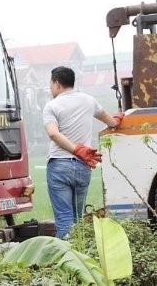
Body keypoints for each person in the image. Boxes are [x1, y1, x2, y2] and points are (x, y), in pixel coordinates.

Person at [42, 66, 124, 239]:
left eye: (51, 83)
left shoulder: (51, 106)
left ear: (57, 83)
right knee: (77, 219)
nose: (50, 87)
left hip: (59, 166)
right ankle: (81, 257)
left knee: (65, 218)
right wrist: (117, 118)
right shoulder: (89, 100)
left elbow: (53, 133)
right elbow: (111, 122)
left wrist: (76, 149)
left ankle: (68, 261)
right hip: (82, 167)